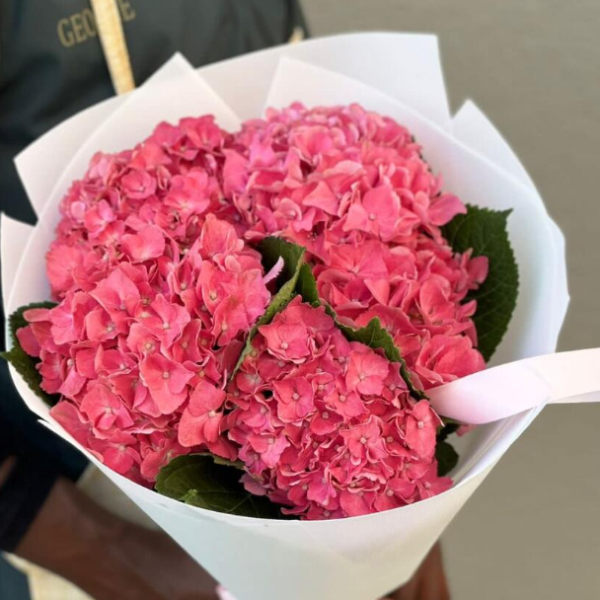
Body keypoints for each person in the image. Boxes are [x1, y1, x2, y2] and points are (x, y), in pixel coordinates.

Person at [0, 2, 449, 599]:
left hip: (280, 466)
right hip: (65, 507)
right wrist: (95, 546)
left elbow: (302, 123)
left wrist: (397, 500)